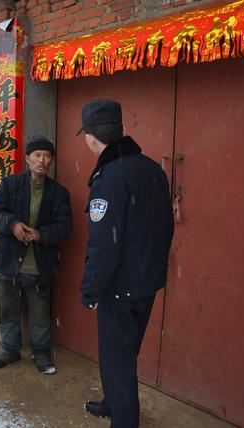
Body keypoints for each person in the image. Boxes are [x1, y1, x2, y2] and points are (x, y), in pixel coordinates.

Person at [77, 100, 174, 428]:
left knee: (117, 361)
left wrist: (90, 289)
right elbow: (166, 226)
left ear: (91, 137)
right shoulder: (152, 169)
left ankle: (123, 419)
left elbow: (104, 244)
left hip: (120, 287)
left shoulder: (109, 177)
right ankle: (112, 402)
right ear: (120, 131)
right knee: (125, 352)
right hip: (147, 282)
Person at [0, 136, 73, 374]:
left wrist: (41, 234)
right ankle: (9, 350)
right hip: (10, 259)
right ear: (27, 159)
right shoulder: (11, 184)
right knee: (8, 310)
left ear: (51, 161)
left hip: (39, 263)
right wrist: (13, 225)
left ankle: (40, 352)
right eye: (37, 155)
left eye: (47, 156)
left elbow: (65, 225)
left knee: (40, 313)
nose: (42, 160)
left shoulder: (58, 193)